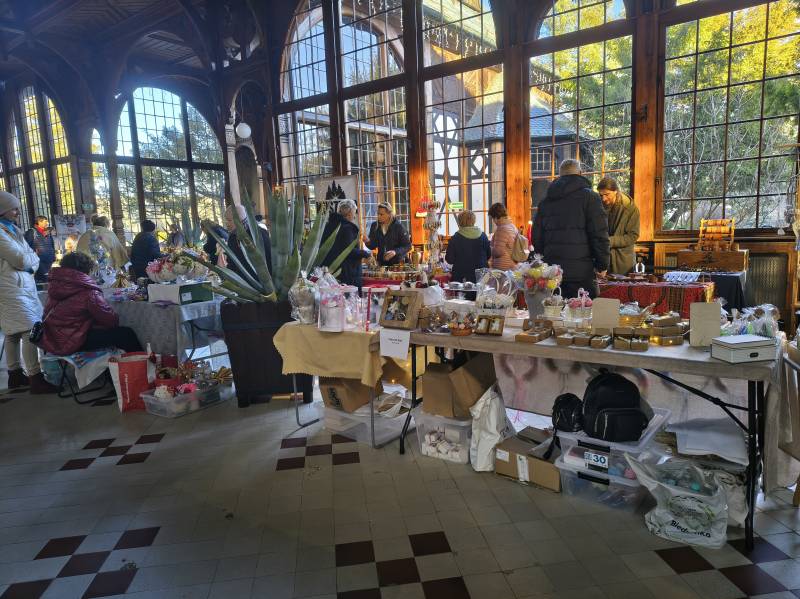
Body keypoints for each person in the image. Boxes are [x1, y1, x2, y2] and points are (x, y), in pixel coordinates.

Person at [0, 192, 58, 393]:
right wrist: (30, 260)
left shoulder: (13, 229)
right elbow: (21, 260)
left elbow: (32, 258)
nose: (18, 212)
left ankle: (15, 375)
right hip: (11, 288)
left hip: (20, 285)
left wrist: (30, 260)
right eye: (14, 209)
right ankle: (35, 377)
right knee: (29, 329)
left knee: (13, 332)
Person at [533, 159, 610, 298]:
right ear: (580, 173)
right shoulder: (590, 197)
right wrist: (602, 265)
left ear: (560, 175)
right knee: (583, 310)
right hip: (581, 272)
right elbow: (599, 234)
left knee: (554, 310)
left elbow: (537, 237)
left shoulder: (545, 202)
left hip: (553, 273)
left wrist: (545, 260)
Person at [41, 252, 142, 356]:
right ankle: (142, 363)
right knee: (126, 334)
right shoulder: (88, 291)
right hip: (72, 342)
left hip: (52, 338)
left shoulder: (55, 287)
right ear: (86, 270)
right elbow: (111, 321)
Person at [321, 200, 370, 288]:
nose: (354, 216)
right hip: (347, 273)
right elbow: (348, 251)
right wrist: (365, 254)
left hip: (329, 271)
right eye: (354, 212)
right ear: (350, 213)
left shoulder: (328, 226)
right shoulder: (347, 228)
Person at [597, 177, 640, 276]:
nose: (603, 199)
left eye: (607, 194)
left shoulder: (629, 208)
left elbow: (633, 236)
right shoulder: (599, 205)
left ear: (615, 191)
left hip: (622, 261)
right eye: (601, 195)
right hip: (603, 259)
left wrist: (609, 241)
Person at [225, 204, 272, 278]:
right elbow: (231, 263)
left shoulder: (259, 234)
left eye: (229, 220)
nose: (227, 223)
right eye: (226, 220)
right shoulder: (232, 238)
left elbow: (269, 259)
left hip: (263, 280)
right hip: (242, 282)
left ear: (239, 219)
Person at [445, 210, 491, 283]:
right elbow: (488, 255)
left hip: (462, 278)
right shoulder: (483, 236)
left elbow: (450, 260)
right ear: (474, 220)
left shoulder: (455, 237)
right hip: (481, 277)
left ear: (460, 221)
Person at [24, 215, 56, 283]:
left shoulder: (48, 232)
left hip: (49, 261)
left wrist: (53, 255)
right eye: (45, 221)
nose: (47, 223)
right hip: (38, 262)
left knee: (48, 280)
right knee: (42, 280)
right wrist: (33, 256)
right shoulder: (31, 232)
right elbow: (26, 246)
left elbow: (52, 245)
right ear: (39, 222)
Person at [488, 203, 518, 270]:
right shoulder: (512, 226)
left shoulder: (501, 229)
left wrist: (488, 248)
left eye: (492, 218)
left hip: (502, 266)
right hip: (512, 264)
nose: (493, 221)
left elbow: (498, 251)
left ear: (496, 217)